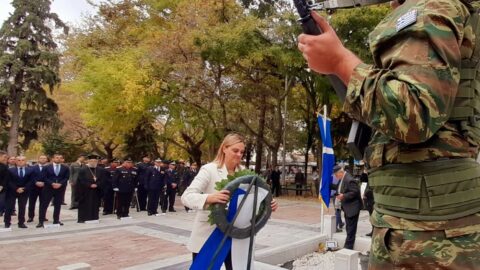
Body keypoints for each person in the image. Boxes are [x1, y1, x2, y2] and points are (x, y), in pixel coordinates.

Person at [298, 0, 480, 267]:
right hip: (425, 225)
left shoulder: (431, 6)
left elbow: (413, 114)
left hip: (426, 232)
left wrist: (340, 61)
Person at [181, 133, 278, 269]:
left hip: (237, 238)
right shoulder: (209, 170)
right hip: (209, 235)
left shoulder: (245, 173)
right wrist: (209, 198)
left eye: (242, 152)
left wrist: (267, 204)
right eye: (235, 150)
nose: (239, 155)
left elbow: (254, 199)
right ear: (224, 149)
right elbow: (186, 196)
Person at [331, 165, 361, 249]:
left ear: (340, 172)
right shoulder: (342, 178)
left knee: (351, 229)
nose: (336, 177)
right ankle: (348, 246)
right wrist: (327, 184)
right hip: (348, 207)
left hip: (353, 207)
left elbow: (355, 191)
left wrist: (343, 196)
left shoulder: (349, 179)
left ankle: (348, 247)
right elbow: (338, 188)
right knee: (348, 227)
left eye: (336, 175)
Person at [38, 153, 70, 227]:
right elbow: (44, 177)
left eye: (60, 157)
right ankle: (41, 221)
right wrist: (52, 183)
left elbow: (66, 177)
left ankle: (56, 220)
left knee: (58, 205)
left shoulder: (65, 167)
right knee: (44, 205)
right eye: (57, 157)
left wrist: (60, 184)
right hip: (48, 188)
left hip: (60, 188)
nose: (58, 159)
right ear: (53, 159)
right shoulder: (46, 167)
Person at [4, 156, 33, 228]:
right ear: (16, 162)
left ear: (25, 161)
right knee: (9, 207)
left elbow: (31, 181)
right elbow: (8, 181)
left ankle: (21, 223)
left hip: (24, 191)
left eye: (23, 160)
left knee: (22, 207)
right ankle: (7, 223)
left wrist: (24, 188)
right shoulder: (10, 170)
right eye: (19, 160)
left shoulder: (30, 170)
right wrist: (16, 188)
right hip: (12, 191)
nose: (21, 162)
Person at [77, 154, 107, 223]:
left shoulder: (101, 170)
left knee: (95, 204)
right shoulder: (83, 169)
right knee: (85, 204)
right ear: (88, 161)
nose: (93, 162)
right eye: (91, 161)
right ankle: (83, 218)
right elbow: (81, 180)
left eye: (95, 161)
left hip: (96, 190)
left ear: (97, 161)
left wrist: (97, 185)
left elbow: (103, 180)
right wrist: (90, 185)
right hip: (85, 191)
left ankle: (94, 218)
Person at [27, 155, 48, 223]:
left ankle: (42, 216)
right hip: (33, 188)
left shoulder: (49, 168)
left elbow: (50, 177)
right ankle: (31, 217)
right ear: (38, 159)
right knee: (31, 203)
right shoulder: (32, 168)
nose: (43, 159)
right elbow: (30, 177)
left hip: (44, 187)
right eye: (41, 158)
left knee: (43, 203)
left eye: (44, 158)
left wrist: (44, 183)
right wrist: (36, 182)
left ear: (46, 160)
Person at [0, 151, 10, 217]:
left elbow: (6, 178)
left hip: (2, 188)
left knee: (2, 202)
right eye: (4, 157)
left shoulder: (5, 166)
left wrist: (1, 186)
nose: (6, 159)